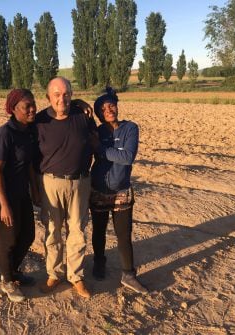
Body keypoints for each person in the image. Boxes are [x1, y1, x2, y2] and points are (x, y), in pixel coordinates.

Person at [35, 76, 94, 299]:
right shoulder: (39, 122)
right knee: (52, 231)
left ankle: (76, 277)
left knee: (77, 232)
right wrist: (35, 188)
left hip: (80, 182)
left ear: (72, 94)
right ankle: (54, 274)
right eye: (57, 94)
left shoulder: (83, 116)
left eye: (67, 94)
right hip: (50, 183)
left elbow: (95, 144)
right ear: (48, 97)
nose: (62, 99)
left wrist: (80, 102)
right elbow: (32, 158)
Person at [90, 87, 148, 294]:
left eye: (111, 105)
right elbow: (119, 154)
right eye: (103, 108)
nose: (109, 110)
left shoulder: (130, 128)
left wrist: (101, 149)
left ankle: (128, 274)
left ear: (117, 106)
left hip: (122, 189)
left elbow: (127, 157)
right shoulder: (96, 131)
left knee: (123, 235)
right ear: (98, 113)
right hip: (98, 188)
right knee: (98, 231)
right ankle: (99, 262)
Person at [0, 88, 39, 302]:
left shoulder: (30, 130)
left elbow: (30, 166)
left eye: (34, 104)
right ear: (14, 109)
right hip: (1, 195)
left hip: (21, 193)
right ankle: (7, 280)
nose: (33, 109)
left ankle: (12, 271)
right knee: (8, 240)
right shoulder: (4, 134)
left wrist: (34, 190)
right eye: (27, 106)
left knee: (27, 236)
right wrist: (4, 205)